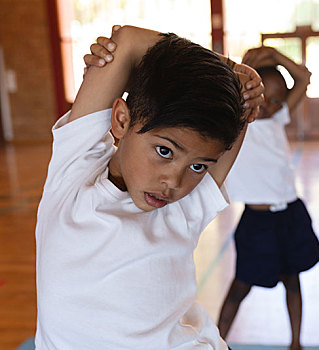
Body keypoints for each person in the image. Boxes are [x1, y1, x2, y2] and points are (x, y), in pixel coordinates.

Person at [35, 25, 263, 350]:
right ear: (121, 121)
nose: (175, 182)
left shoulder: (187, 206)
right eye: (164, 151)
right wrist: (226, 68)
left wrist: (238, 80)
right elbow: (128, 41)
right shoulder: (74, 176)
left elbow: (242, 96)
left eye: (197, 166)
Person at [220, 46, 319, 350]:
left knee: (293, 280)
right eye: (265, 98)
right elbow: (231, 80)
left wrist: (277, 56)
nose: (271, 106)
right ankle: (215, 341)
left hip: (290, 215)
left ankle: (295, 343)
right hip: (258, 221)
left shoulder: (278, 118)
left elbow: (303, 78)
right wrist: (246, 68)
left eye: (278, 100)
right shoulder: (238, 123)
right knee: (240, 287)